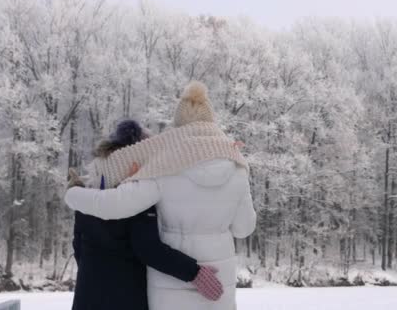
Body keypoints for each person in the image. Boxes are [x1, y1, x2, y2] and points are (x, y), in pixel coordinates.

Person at [64, 81, 256, 310]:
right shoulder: (237, 169)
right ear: (211, 122)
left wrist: (73, 194)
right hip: (219, 285)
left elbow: (113, 206)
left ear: (178, 125)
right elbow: (244, 228)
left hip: (170, 289)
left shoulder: (163, 167)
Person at [68, 119, 223, 310]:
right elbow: (149, 249)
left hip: (86, 299)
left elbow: (78, 248)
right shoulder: (135, 199)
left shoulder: (86, 196)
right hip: (126, 299)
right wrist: (195, 273)